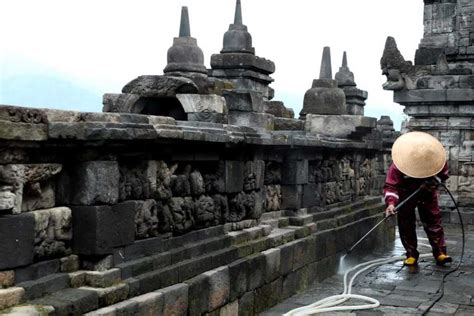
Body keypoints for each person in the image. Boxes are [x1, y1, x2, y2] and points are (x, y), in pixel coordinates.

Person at [383, 131, 452, 266]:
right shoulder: (398, 164)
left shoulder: (435, 158)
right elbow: (391, 186)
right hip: (406, 194)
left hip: (427, 193)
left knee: (433, 221)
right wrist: (391, 204)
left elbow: (443, 174)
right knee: (406, 223)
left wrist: (432, 183)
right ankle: (411, 253)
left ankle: (440, 252)